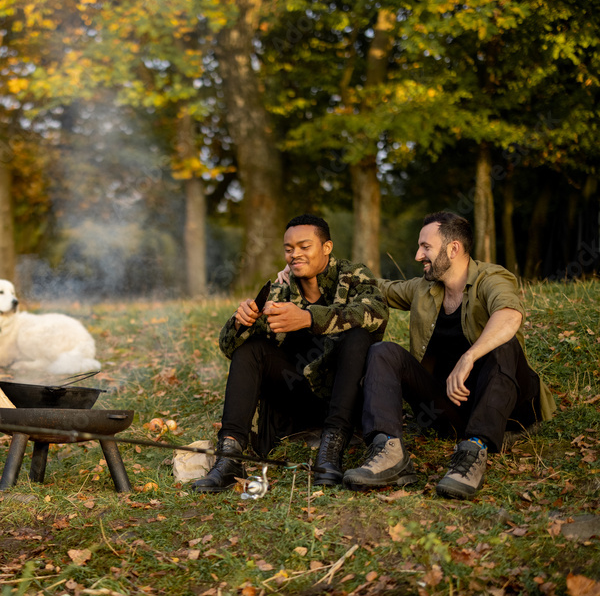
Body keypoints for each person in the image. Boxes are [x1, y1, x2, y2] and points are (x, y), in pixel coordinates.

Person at [342, 211, 556, 499]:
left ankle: (473, 450)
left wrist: (469, 357)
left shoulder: (491, 278)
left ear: (453, 248)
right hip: (451, 409)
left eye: (426, 247)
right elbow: (378, 288)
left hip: (509, 408)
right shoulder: (424, 289)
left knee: (502, 345)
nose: (418, 256)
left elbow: (509, 315)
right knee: (384, 351)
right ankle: (388, 451)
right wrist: (321, 271)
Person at [192, 215, 389, 493]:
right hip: (298, 399)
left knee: (358, 335)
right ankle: (230, 456)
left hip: (345, 399)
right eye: (289, 248)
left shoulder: (352, 275)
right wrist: (240, 322)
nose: (295, 254)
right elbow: (229, 349)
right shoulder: (280, 291)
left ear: (327, 247)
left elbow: (376, 313)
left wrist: (308, 318)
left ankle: (331, 453)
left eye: (304, 246)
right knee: (252, 349)